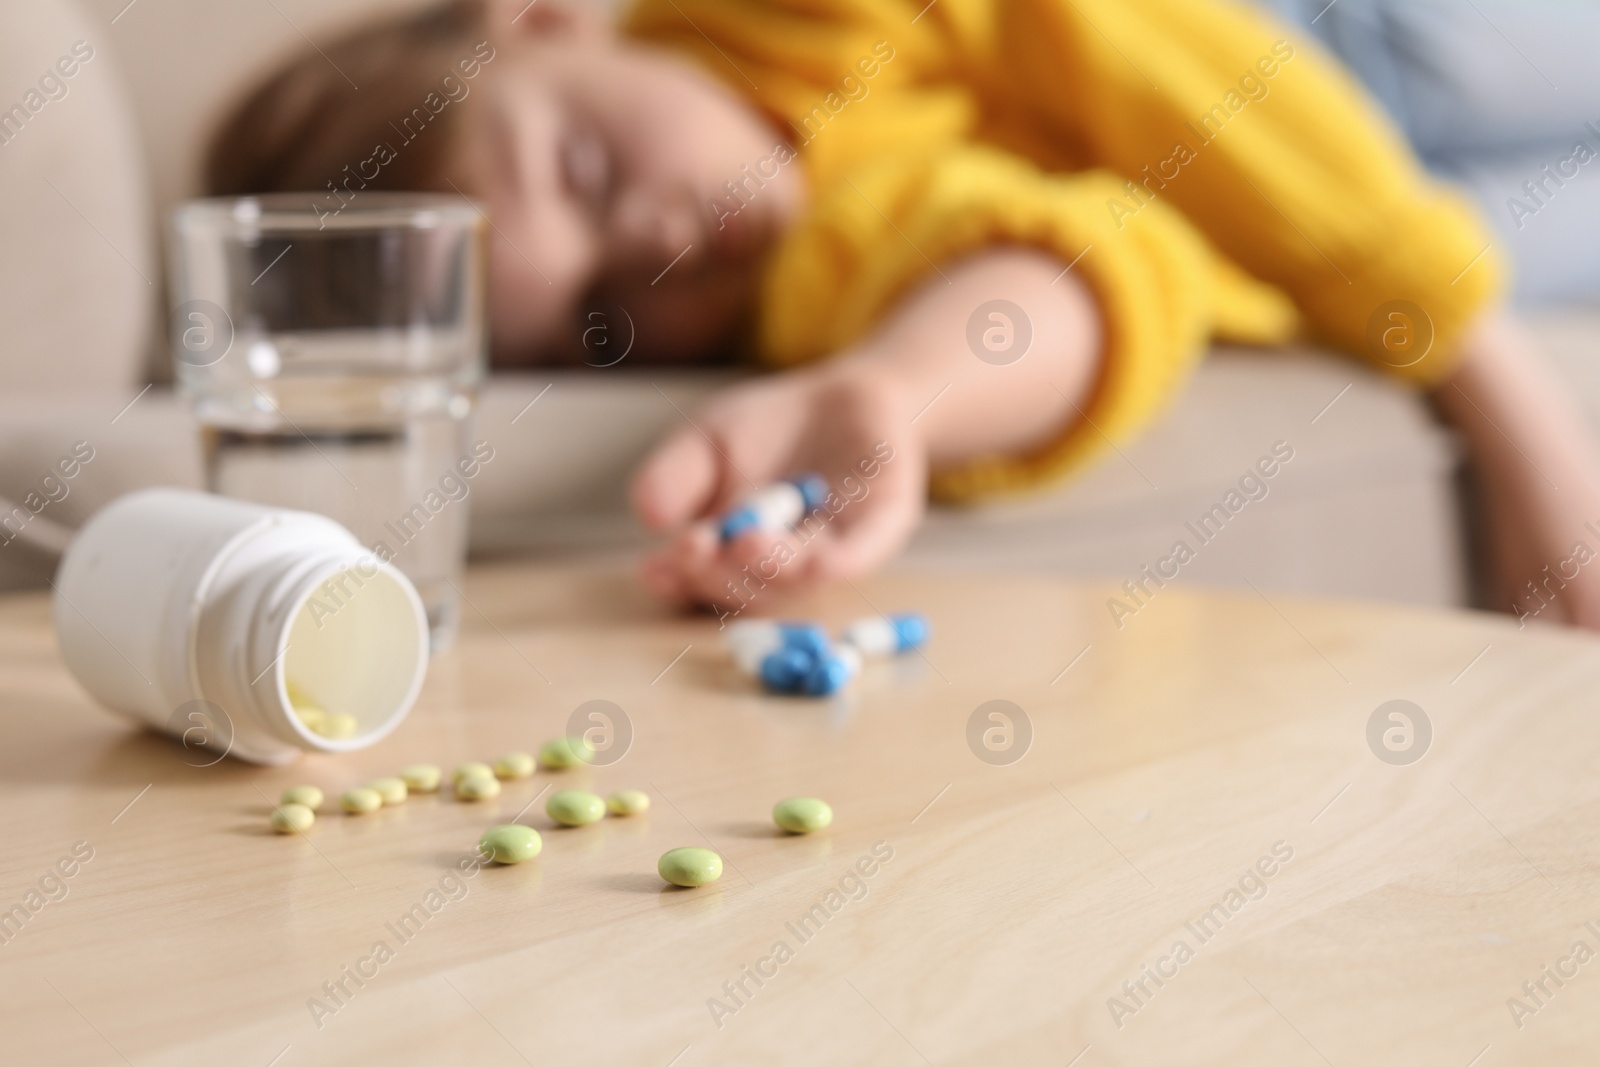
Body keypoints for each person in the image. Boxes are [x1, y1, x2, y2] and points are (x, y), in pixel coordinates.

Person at [207, 0, 1600, 627]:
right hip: (1336, 252)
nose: (651, 248)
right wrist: (897, 394)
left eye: (585, 169)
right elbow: (1081, 261)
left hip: (1318, 59)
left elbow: (1179, 63)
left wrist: (1495, 383)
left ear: (548, 21)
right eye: (594, 322)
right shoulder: (814, 286)